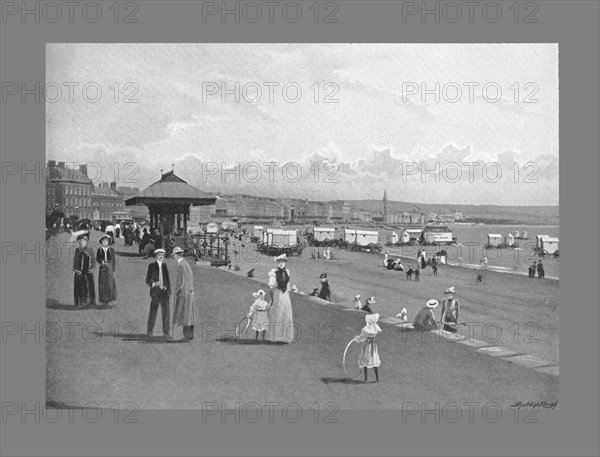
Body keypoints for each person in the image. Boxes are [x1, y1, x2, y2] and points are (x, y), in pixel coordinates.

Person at [172, 247, 198, 341]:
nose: (173, 257)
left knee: (184, 315)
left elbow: (180, 282)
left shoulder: (181, 265)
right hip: (190, 291)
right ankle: (190, 335)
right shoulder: (186, 263)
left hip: (184, 292)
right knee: (190, 315)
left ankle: (186, 336)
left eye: (174, 255)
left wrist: (175, 291)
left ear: (176, 255)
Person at [267, 254, 294, 343]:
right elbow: (271, 288)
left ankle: (285, 337)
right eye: (280, 262)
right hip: (278, 294)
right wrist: (272, 299)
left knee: (285, 313)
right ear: (277, 263)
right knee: (277, 313)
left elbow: (288, 285)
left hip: (285, 294)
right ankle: (275, 337)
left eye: (283, 262)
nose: (281, 264)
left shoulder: (287, 272)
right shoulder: (273, 272)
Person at [145, 248, 171, 338]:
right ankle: (150, 331)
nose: (161, 257)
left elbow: (167, 280)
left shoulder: (164, 266)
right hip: (156, 292)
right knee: (153, 311)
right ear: (156, 256)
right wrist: (155, 284)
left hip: (164, 292)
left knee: (166, 313)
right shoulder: (152, 266)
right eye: (159, 255)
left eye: (162, 255)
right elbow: (148, 280)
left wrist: (168, 291)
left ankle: (166, 332)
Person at [355, 313, 382, 382]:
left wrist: (357, 338)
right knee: (373, 360)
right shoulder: (375, 328)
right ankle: (377, 378)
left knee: (366, 360)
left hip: (367, 345)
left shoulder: (366, 329)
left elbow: (362, 338)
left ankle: (366, 378)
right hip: (373, 345)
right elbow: (378, 332)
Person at [72, 232, 96, 307]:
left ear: (87, 241)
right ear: (79, 242)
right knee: (79, 286)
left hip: (88, 272)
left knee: (88, 286)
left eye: (85, 241)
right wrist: (76, 269)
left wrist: (92, 268)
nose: (83, 243)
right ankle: (79, 302)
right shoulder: (77, 250)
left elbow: (93, 260)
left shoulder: (90, 250)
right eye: (81, 241)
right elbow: (76, 260)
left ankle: (89, 302)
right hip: (79, 272)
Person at [96, 234, 117, 307]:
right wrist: (101, 262)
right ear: (101, 242)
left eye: (106, 241)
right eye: (103, 241)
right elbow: (98, 258)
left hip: (109, 268)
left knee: (110, 283)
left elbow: (113, 260)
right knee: (102, 283)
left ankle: (110, 299)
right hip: (102, 268)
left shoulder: (111, 250)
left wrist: (112, 268)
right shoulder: (100, 250)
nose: (105, 243)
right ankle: (103, 300)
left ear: (109, 242)